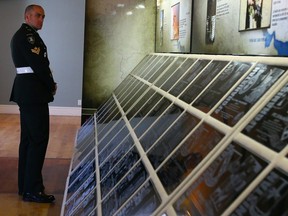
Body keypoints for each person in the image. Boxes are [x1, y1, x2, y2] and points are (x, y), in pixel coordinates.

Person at [10, 4, 57, 203]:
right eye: (38, 16)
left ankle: (25, 185)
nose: (41, 20)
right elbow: (39, 65)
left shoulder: (24, 34)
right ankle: (33, 190)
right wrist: (50, 85)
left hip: (28, 92)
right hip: (33, 93)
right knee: (38, 140)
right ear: (27, 16)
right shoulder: (28, 37)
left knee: (29, 140)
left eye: (43, 17)